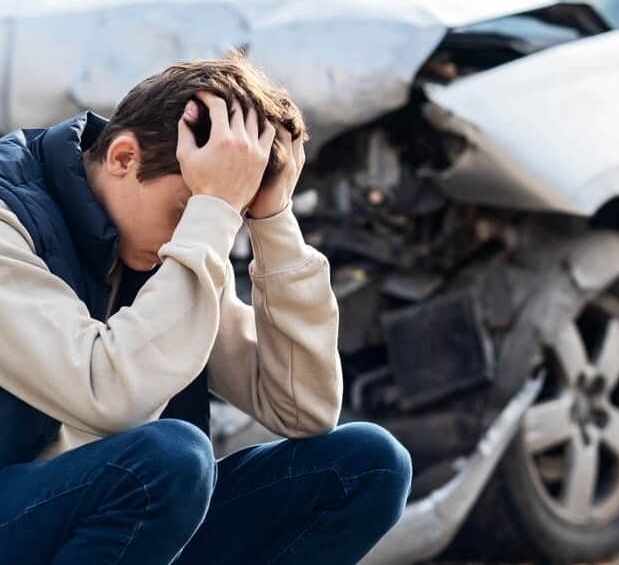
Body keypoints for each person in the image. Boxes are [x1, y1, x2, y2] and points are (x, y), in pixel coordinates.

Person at [0, 54, 412, 564]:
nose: (199, 231)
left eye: (223, 216)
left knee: (365, 464)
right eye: (185, 211)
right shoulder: (8, 215)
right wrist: (210, 212)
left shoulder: (173, 243)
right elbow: (106, 394)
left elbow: (302, 408)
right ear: (124, 158)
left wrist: (272, 220)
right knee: (170, 460)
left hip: (107, 520)